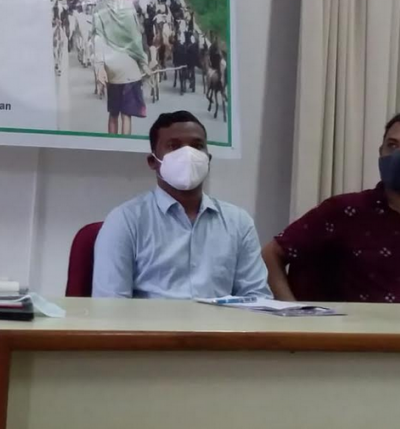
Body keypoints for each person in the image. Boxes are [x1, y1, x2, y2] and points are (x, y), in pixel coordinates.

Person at [263, 108, 400, 304]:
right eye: (392, 146)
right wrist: (292, 314)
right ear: (381, 153)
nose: (398, 156)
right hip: (358, 336)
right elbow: (271, 253)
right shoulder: (343, 211)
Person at [93, 111, 271, 299]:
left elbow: (257, 298)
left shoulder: (239, 223)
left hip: (219, 319)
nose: (188, 154)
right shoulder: (125, 221)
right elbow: (111, 304)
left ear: (208, 159)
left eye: (197, 146)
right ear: (153, 161)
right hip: (154, 319)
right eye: (174, 146)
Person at [92, 0, 149, 136]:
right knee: (126, 116)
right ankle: (125, 146)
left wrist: (100, 67)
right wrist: (144, 63)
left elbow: (98, 38)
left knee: (113, 114)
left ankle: (111, 144)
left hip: (111, 69)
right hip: (129, 68)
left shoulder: (99, 8)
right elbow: (135, 40)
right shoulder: (128, 7)